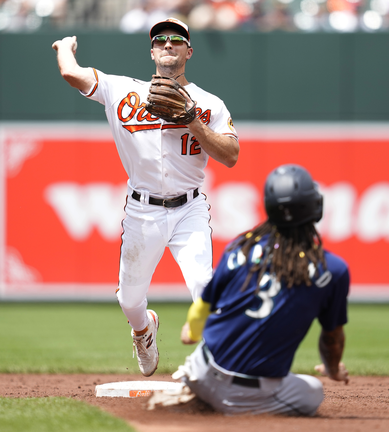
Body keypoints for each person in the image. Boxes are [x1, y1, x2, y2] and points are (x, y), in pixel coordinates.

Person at [52, 17, 239, 378]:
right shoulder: (124, 91)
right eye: (160, 40)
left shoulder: (208, 103)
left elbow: (230, 156)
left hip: (190, 208)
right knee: (129, 300)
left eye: (177, 39)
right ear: (152, 51)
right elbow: (72, 74)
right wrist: (63, 48)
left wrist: (192, 122)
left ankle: (214, 365)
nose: (168, 44)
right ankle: (143, 330)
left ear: (189, 50)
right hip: (142, 209)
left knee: (205, 286)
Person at [172, 164, 350, 416]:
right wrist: (332, 370)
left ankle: (199, 392)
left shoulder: (240, 248)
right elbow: (332, 339)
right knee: (313, 390)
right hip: (250, 396)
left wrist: (192, 331)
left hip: (200, 373)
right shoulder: (331, 269)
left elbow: (204, 305)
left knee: (204, 355)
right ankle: (236, 407)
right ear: (315, 207)